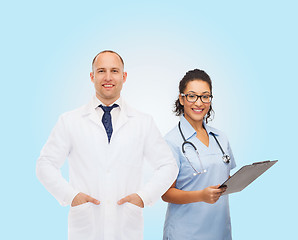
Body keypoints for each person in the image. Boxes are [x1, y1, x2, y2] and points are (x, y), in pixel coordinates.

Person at [36, 50, 178, 240]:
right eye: (101, 71)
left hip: (127, 227)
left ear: (124, 76)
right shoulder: (70, 121)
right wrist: (71, 196)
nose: (108, 77)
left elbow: (168, 166)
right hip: (85, 228)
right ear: (92, 76)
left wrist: (144, 197)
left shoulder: (143, 122)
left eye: (114, 71)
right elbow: (45, 165)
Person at [162, 69, 236, 240]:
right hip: (186, 233)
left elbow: (223, 177)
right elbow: (166, 193)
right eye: (192, 96)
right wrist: (201, 195)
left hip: (220, 231)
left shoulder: (221, 138)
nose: (199, 102)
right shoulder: (170, 142)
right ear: (181, 99)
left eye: (205, 96)